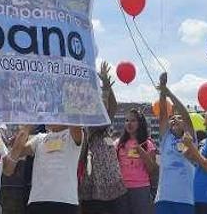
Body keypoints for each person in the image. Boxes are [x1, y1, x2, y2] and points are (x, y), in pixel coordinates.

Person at [79, 61, 128, 214]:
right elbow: (103, 115)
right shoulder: (85, 126)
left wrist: (107, 85)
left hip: (113, 182)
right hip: (94, 185)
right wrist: (104, 89)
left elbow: (112, 107)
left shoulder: (106, 127)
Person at [16, 120, 82, 214]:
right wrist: (26, 128)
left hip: (65, 202)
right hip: (37, 200)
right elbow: (17, 152)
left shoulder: (72, 135)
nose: (48, 117)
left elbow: (74, 124)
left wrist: (66, 107)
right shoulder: (39, 138)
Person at [155, 72, 197, 214]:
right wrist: (162, 91)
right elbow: (162, 114)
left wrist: (170, 94)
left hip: (186, 199)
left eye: (178, 118)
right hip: (164, 198)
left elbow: (187, 116)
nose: (174, 120)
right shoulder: (166, 137)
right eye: (172, 118)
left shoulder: (189, 138)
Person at [116, 107, 158, 214]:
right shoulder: (119, 143)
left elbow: (152, 169)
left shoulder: (147, 144)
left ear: (140, 123)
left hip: (141, 188)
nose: (129, 123)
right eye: (127, 120)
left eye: (133, 120)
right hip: (121, 189)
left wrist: (142, 153)